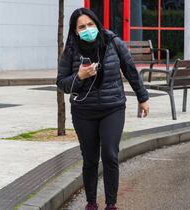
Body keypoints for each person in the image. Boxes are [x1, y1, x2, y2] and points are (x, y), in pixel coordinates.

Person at [56, 8, 149, 210]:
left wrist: (142, 97)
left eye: (90, 24)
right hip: (83, 112)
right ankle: (91, 203)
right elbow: (62, 84)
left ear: (97, 24)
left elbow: (130, 69)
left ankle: (111, 204)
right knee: (90, 159)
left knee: (109, 154)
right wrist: (79, 77)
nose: (87, 29)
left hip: (112, 108)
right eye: (82, 27)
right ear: (75, 31)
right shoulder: (71, 50)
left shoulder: (113, 41)